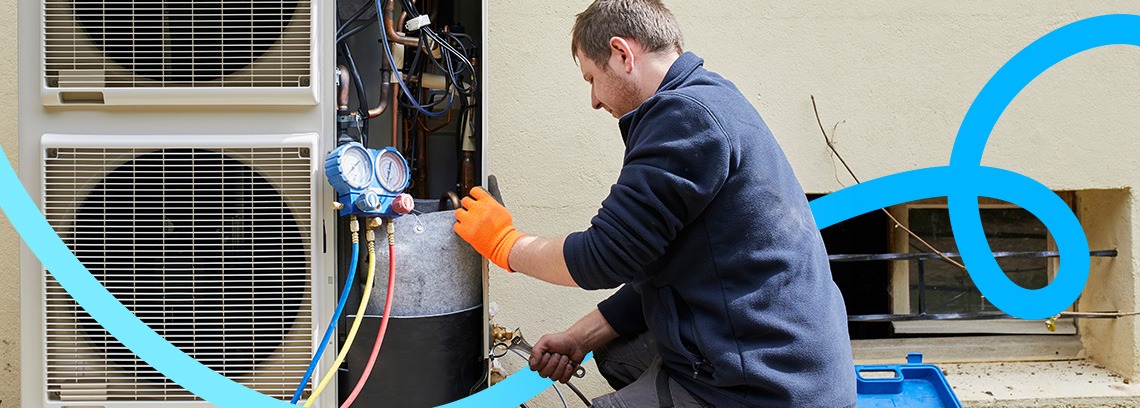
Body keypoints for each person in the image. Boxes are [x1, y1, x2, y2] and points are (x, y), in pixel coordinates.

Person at [453, 0, 856, 406]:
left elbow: (604, 255)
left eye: (592, 78)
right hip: (782, 359)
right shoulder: (706, 99)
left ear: (622, 54)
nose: (593, 100)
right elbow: (658, 270)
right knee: (616, 350)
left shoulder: (687, 117)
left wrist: (506, 245)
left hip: (772, 386)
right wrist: (580, 337)